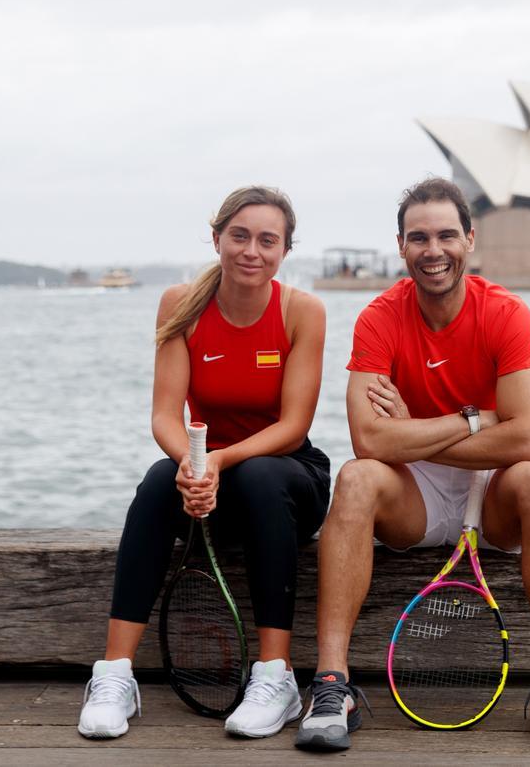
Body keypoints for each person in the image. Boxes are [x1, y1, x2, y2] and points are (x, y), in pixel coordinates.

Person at [294, 177, 530, 753]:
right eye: (418, 238)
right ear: (401, 245)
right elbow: (367, 440)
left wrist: (410, 431)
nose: (433, 250)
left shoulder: (506, 313)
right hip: (417, 490)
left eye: (445, 235)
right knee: (356, 479)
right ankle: (332, 684)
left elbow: (529, 440)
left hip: (497, 485)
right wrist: (475, 419)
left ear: (469, 239)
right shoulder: (379, 317)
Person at [78, 186, 331, 740]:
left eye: (268, 240)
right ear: (217, 238)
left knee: (262, 475)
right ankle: (114, 676)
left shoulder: (303, 311)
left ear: (285, 251)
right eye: (239, 236)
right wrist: (192, 468)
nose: (251, 251)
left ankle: (276, 677)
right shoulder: (179, 304)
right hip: (210, 476)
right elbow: (164, 415)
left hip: (289, 476)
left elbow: (292, 427)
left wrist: (216, 460)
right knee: (153, 484)